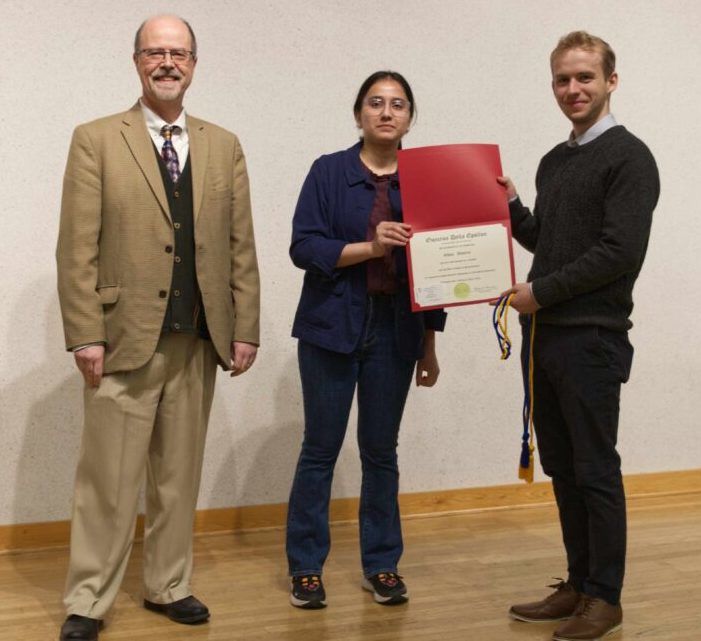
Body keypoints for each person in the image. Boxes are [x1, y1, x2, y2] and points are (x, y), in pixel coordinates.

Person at [55, 14, 260, 641]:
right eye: (155, 52)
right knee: (109, 482)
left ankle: (168, 584)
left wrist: (244, 324)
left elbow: (240, 245)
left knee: (178, 477)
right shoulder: (95, 139)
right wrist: (84, 332)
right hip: (121, 338)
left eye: (179, 53)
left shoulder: (223, 145)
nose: (167, 62)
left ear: (194, 63)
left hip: (199, 336)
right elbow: (76, 248)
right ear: (137, 61)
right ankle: (89, 600)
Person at [497, 31, 659, 641]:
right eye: (563, 79)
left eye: (585, 77)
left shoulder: (630, 157)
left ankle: (606, 599)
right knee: (563, 466)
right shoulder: (555, 160)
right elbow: (552, 241)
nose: (574, 89)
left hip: (591, 338)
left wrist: (540, 293)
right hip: (544, 336)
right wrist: (514, 208)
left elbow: (618, 252)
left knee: (595, 468)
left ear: (611, 81)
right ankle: (579, 583)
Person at [285, 71, 446, 609]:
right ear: (359, 114)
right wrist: (370, 248)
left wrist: (429, 345)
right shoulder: (328, 171)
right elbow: (303, 246)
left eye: (398, 104)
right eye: (375, 103)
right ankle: (306, 567)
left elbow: (437, 269)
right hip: (332, 328)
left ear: (409, 118)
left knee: (381, 452)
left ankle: (382, 565)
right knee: (320, 450)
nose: (386, 112)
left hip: (397, 329)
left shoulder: (426, 178)